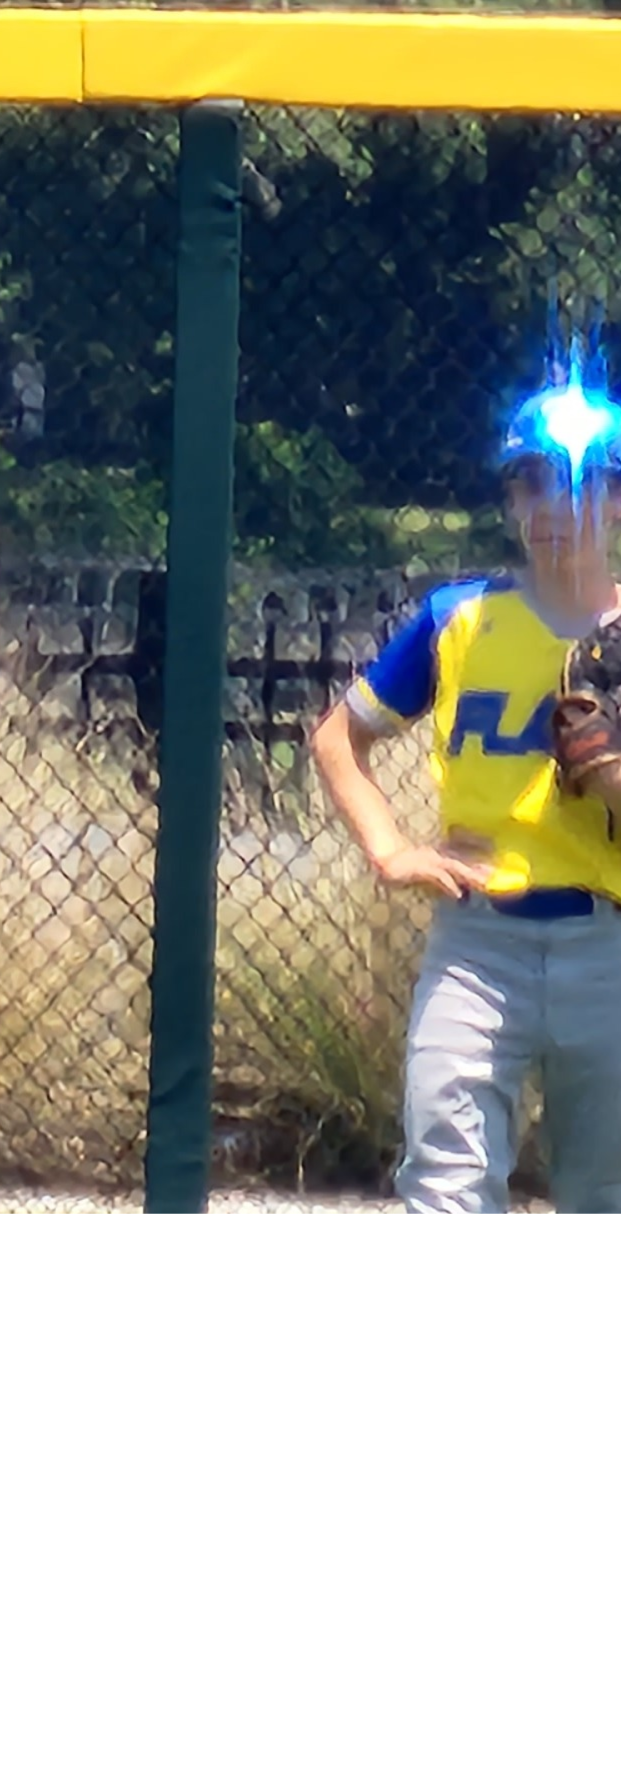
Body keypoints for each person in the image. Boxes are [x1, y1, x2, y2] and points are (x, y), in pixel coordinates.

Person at [309, 369, 621, 1213]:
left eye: (582, 484)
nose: (554, 507)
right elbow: (338, 739)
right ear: (510, 500)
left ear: (618, 501)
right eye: (532, 483)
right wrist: (390, 850)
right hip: (477, 942)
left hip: (609, 941)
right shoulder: (459, 618)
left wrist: (610, 777)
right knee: (446, 1182)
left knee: (604, 1189)